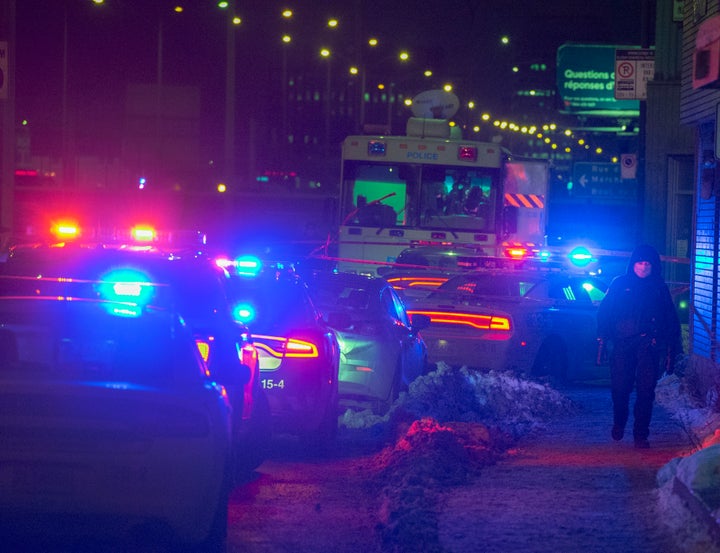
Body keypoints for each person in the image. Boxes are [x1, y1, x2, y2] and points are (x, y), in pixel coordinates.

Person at [596, 244, 682, 449]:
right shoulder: (619, 284)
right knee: (620, 388)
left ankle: (640, 435)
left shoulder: (659, 288)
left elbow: (670, 319)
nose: (643, 267)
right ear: (633, 264)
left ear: (654, 267)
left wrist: (672, 348)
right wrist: (602, 338)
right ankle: (619, 422)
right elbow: (605, 312)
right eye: (640, 263)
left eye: (648, 264)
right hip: (623, 343)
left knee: (646, 391)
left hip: (648, 345)